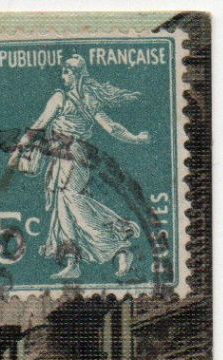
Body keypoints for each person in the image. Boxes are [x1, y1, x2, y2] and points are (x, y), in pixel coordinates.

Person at [12, 54, 150, 281]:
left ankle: (118, 242)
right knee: (63, 207)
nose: (63, 76)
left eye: (67, 72)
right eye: (63, 71)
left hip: (73, 156)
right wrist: (134, 138)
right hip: (61, 157)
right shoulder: (85, 99)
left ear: (77, 75)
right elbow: (111, 127)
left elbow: (39, 125)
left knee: (71, 200)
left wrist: (19, 148)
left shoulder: (63, 98)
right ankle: (74, 261)